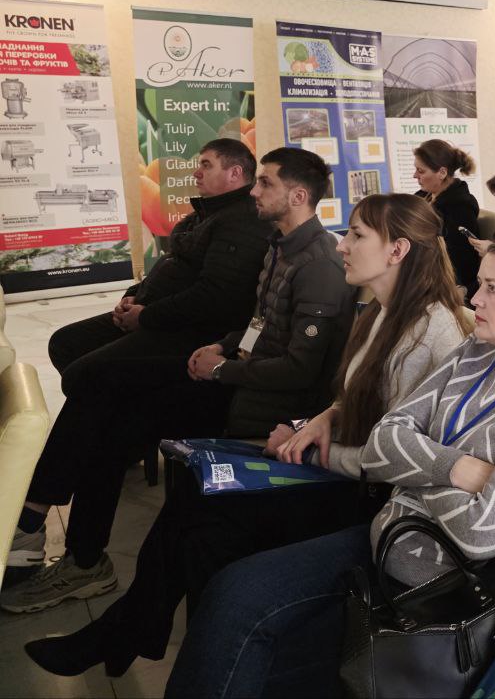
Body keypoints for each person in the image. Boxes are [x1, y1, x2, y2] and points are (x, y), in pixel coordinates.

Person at [17, 194, 471, 676]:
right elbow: (361, 398)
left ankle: (132, 636)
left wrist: (312, 452)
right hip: (342, 467)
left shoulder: (431, 334)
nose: (343, 245)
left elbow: (397, 459)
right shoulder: (383, 313)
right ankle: (131, 633)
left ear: (397, 250)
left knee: (209, 522)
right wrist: (319, 421)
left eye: (358, 235)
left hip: (371, 498)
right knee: (196, 495)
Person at [163, 231, 495, 698]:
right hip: (391, 543)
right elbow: (383, 440)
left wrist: (414, 476)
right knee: (233, 594)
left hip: (457, 598)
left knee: (254, 639)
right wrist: (457, 469)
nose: (474, 298)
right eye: (480, 283)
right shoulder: (479, 351)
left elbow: (482, 534)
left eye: (492, 288)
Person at [2, 147, 354, 614]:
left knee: (105, 402)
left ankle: (58, 538)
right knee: (104, 403)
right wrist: (223, 347)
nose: (254, 190)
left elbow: (300, 371)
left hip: (257, 403)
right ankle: (78, 556)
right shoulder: (280, 246)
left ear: (298, 196)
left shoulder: (319, 264)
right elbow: (259, 324)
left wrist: (222, 368)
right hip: (235, 376)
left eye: (265, 182)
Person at [6, 140, 269, 583]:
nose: (196, 172)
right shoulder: (208, 213)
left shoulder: (244, 223)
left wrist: (147, 315)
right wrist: (134, 298)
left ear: (235, 174)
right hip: (161, 317)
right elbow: (171, 268)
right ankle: (102, 444)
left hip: (187, 337)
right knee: (67, 345)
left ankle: (36, 509)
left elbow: (214, 300)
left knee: (88, 380)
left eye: (205, 165)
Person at [413, 139, 480, 295]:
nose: (415, 175)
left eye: (421, 171)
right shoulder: (422, 197)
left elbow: (458, 264)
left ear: (442, 173)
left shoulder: (460, 209)